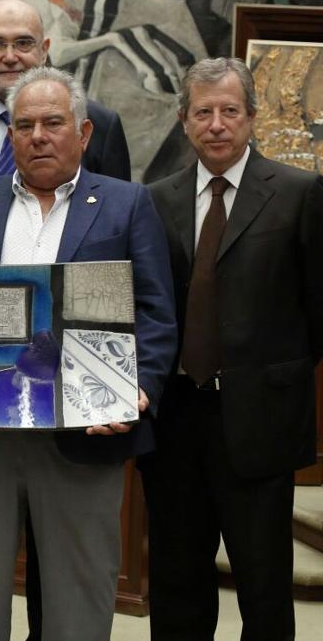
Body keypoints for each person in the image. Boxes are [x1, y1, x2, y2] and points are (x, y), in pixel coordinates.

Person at [0, 66, 176, 640]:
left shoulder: (125, 204)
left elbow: (156, 312)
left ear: (83, 133)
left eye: (53, 123)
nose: (38, 135)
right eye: (24, 124)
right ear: (9, 136)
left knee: (79, 594)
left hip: (86, 428)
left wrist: (140, 388)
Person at [141, 57, 323, 640]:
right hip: (175, 420)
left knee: (264, 586)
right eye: (204, 112)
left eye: (229, 111)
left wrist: (275, 377)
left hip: (259, 420)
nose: (217, 124)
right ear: (185, 120)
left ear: (251, 117)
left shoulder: (298, 193)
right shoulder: (156, 199)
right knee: (177, 580)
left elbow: (318, 309)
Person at [0, 0, 131, 256]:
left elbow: (119, 223)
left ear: (44, 50)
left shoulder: (98, 124)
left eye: (24, 43)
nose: (10, 57)